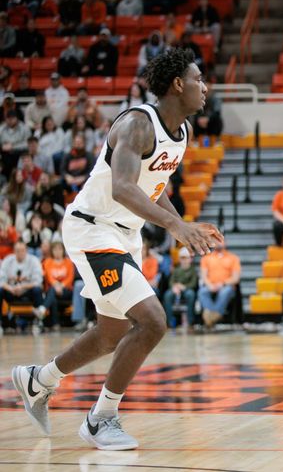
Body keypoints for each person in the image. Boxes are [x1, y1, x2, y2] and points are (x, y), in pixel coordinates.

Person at [10, 48, 222, 451]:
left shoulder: (182, 133)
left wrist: (183, 224)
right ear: (178, 84)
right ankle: (101, 418)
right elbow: (122, 187)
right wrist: (176, 226)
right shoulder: (138, 123)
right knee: (154, 321)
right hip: (93, 228)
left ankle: (40, 379)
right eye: (199, 79)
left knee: (113, 332)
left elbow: (151, 189)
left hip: (125, 234)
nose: (204, 87)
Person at [1, 240, 45, 328]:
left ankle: (39, 321)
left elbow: (38, 281)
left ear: (26, 250)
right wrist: (10, 288)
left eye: (22, 250)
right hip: (11, 291)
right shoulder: (7, 260)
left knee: (37, 289)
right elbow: (1, 280)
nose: (20, 253)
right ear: (14, 251)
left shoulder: (34, 260)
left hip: (27, 291)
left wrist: (23, 286)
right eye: (17, 250)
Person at [197, 240, 240, 328]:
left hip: (226, 286)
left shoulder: (233, 258)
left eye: (220, 241)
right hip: (211, 285)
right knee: (202, 291)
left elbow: (236, 278)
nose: (218, 243)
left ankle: (210, 318)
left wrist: (222, 284)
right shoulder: (206, 258)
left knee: (225, 292)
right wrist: (210, 285)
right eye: (216, 241)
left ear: (225, 243)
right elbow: (204, 276)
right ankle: (215, 316)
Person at [41, 241, 74, 329]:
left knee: (52, 292)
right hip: (52, 289)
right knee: (53, 295)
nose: (57, 251)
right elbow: (49, 277)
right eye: (55, 249)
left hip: (66, 290)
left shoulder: (68, 262)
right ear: (52, 251)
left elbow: (70, 278)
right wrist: (56, 286)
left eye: (60, 249)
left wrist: (61, 286)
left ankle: (42, 309)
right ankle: (56, 324)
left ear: (63, 250)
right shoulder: (47, 262)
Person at [163, 246, 198, 329]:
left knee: (190, 294)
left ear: (190, 259)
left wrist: (184, 287)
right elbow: (171, 281)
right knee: (167, 295)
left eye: (186, 258)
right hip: (176, 290)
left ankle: (190, 321)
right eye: (182, 258)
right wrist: (174, 287)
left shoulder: (192, 270)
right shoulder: (176, 269)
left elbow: (193, 283)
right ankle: (170, 321)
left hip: (187, 290)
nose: (184, 260)